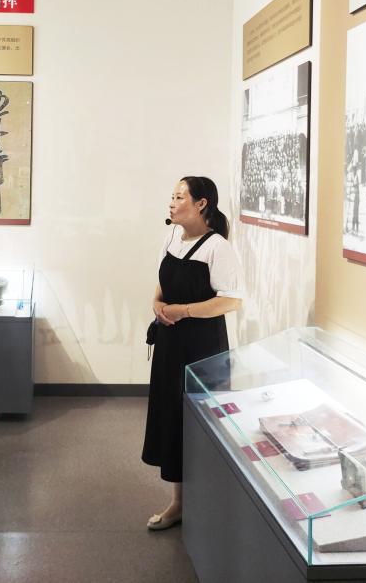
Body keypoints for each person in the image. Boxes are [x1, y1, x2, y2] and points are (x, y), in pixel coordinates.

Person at [142, 176, 242, 531]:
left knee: (200, 422)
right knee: (172, 419)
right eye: (172, 196)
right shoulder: (172, 236)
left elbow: (230, 301)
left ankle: (209, 504)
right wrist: (157, 303)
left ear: (201, 204)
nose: (172, 202)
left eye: (179, 196)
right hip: (170, 343)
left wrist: (183, 311)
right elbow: (162, 281)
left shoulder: (217, 247)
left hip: (202, 347)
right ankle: (179, 503)